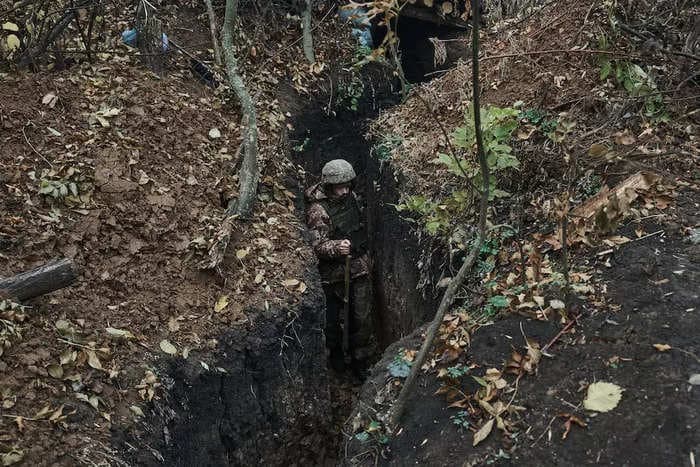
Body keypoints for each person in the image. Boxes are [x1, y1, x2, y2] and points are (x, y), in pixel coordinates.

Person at [305, 159, 376, 373]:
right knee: (332, 323)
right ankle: (336, 360)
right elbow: (317, 245)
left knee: (362, 319)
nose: (345, 190)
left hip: (359, 267)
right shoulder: (318, 210)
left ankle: (361, 362)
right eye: (340, 186)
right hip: (333, 274)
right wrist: (337, 247)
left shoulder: (352, 197)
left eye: (348, 185)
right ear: (329, 186)